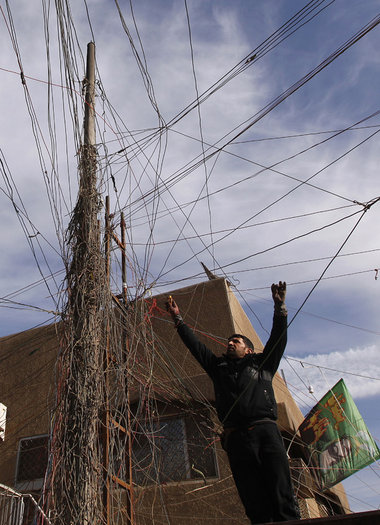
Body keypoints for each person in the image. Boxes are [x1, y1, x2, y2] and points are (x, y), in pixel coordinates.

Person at [166, 281, 300, 524]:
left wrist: (279, 308)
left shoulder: (262, 364)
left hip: (265, 432)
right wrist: (178, 319)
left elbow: (278, 339)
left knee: (282, 494)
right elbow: (196, 347)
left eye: (236, 341)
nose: (230, 343)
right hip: (236, 439)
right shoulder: (219, 369)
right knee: (253, 500)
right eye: (229, 341)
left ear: (248, 350)